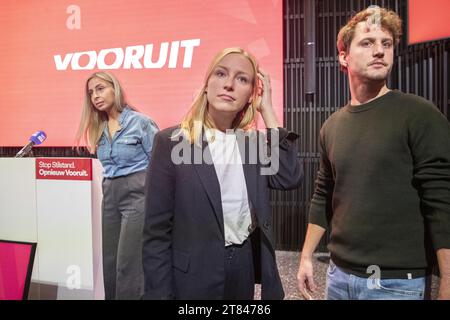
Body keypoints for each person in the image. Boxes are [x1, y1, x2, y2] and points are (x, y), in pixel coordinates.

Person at [296, 6, 450, 300]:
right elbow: (323, 194)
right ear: (344, 56)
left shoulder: (419, 115)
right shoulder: (331, 126)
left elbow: (442, 204)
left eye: (386, 43)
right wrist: (305, 257)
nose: (379, 51)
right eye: (367, 43)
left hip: (397, 286)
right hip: (338, 278)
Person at [142, 47, 303, 299]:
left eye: (242, 79)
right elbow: (156, 233)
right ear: (206, 84)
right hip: (192, 273)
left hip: (241, 267)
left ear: (252, 94)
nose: (229, 84)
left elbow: (288, 177)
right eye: (221, 73)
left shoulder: (251, 144)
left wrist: (268, 112)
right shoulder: (171, 142)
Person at [76, 71, 159, 299]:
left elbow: (161, 166)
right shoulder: (99, 128)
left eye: (100, 88)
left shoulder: (140, 122)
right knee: (110, 263)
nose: (95, 96)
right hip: (110, 197)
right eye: (91, 92)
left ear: (115, 89)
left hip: (137, 196)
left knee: (128, 265)